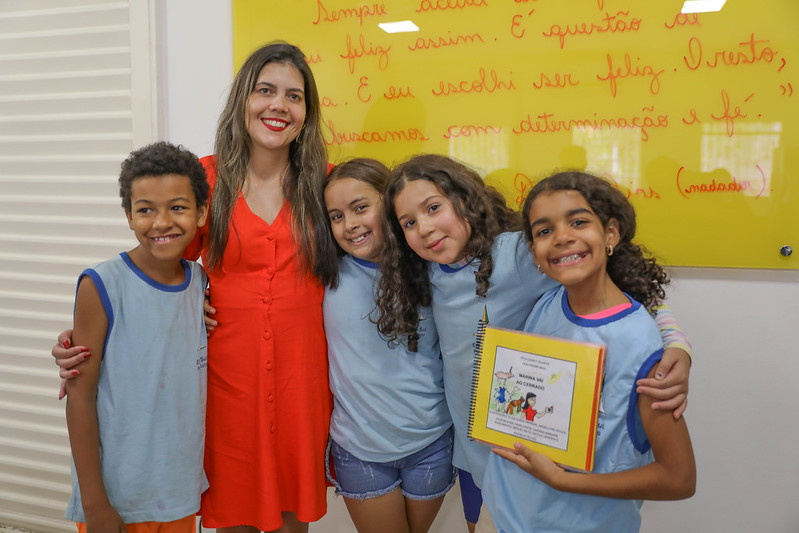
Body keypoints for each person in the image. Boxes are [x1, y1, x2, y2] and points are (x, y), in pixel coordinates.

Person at [55, 42, 336, 533]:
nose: (278, 106)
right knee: (233, 512)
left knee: (294, 516)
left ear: (306, 113)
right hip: (225, 385)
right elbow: (160, 271)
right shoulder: (206, 179)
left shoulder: (326, 185)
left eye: (294, 96)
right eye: (265, 90)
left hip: (301, 383)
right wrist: (87, 332)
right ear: (243, 100)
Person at [374, 154, 693, 532]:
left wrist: (677, 344)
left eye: (433, 208)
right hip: (484, 458)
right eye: (409, 222)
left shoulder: (517, 255)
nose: (424, 228)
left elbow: (620, 287)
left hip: (547, 465)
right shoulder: (420, 270)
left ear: (464, 199)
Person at [480, 171, 696, 532]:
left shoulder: (641, 345)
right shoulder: (545, 304)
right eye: (544, 231)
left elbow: (679, 478)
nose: (562, 237)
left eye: (578, 222)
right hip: (503, 512)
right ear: (534, 251)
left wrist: (563, 480)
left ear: (610, 233)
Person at [64, 142, 209, 533]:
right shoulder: (102, 285)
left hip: (178, 491)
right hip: (117, 500)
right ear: (129, 215)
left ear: (201, 213)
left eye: (178, 207)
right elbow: (80, 396)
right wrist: (95, 504)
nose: (162, 222)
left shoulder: (201, 283)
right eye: (146, 209)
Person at [320, 158, 455, 533]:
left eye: (361, 208)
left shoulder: (433, 269)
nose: (350, 224)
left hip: (431, 442)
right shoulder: (325, 276)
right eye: (336, 216)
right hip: (360, 450)